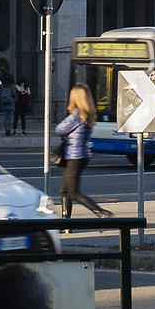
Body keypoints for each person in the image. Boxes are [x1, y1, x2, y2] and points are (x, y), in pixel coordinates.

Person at [52, 85, 109, 219]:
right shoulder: (87, 115)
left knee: (73, 192)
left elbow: (59, 129)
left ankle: (101, 213)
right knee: (64, 190)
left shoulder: (76, 116)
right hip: (82, 155)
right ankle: (66, 223)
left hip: (74, 156)